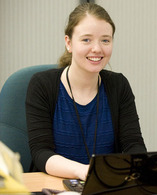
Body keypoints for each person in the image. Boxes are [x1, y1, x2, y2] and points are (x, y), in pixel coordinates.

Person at [25, 3, 147, 180]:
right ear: (69, 43)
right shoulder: (42, 85)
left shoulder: (118, 85)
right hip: (55, 186)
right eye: (86, 40)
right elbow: (41, 153)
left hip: (105, 186)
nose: (97, 48)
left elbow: (134, 145)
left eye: (105, 40)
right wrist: (83, 171)